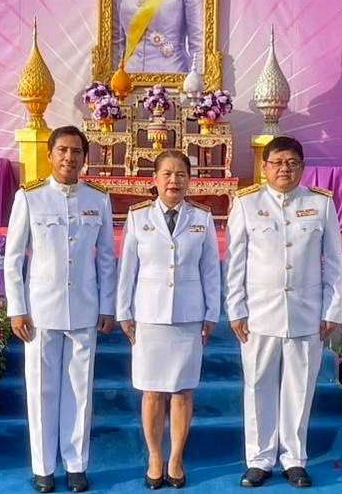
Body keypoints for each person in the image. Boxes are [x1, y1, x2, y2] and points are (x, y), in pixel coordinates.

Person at [224, 136, 342, 489]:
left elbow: (334, 263)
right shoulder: (247, 203)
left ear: (302, 167)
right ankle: (259, 459)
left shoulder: (320, 203)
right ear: (264, 167)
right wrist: (235, 308)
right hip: (260, 312)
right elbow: (235, 261)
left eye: (291, 163)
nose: (284, 169)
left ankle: (294, 458)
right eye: (276, 162)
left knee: (299, 387)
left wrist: (332, 308)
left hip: (306, 312)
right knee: (258, 385)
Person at [4, 126, 117, 494]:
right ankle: (43, 468)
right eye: (63, 150)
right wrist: (17, 307)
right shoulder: (30, 197)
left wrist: (107, 304)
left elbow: (106, 258)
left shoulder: (98, 198)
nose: (70, 158)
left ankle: (76, 465)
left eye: (77, 151)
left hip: (84, 307)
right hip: (41, 310)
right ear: (51, 154)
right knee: (41, 390)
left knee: (80, 391)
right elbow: (13, 258)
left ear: (85, 157)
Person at [116, 150, 220, 490]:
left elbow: (211, 270)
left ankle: (175, 458)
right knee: (151, 392)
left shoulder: (202, 217)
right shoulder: (138, 217)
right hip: (149, 316)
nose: (174, 180)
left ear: (190, 180)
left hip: (188, 317)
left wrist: (212, 312)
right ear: (155, 179)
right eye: (167, 174)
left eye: (181, 174)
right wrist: (123, 311)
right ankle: (154, 456)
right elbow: (127, 269)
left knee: (182, 392)